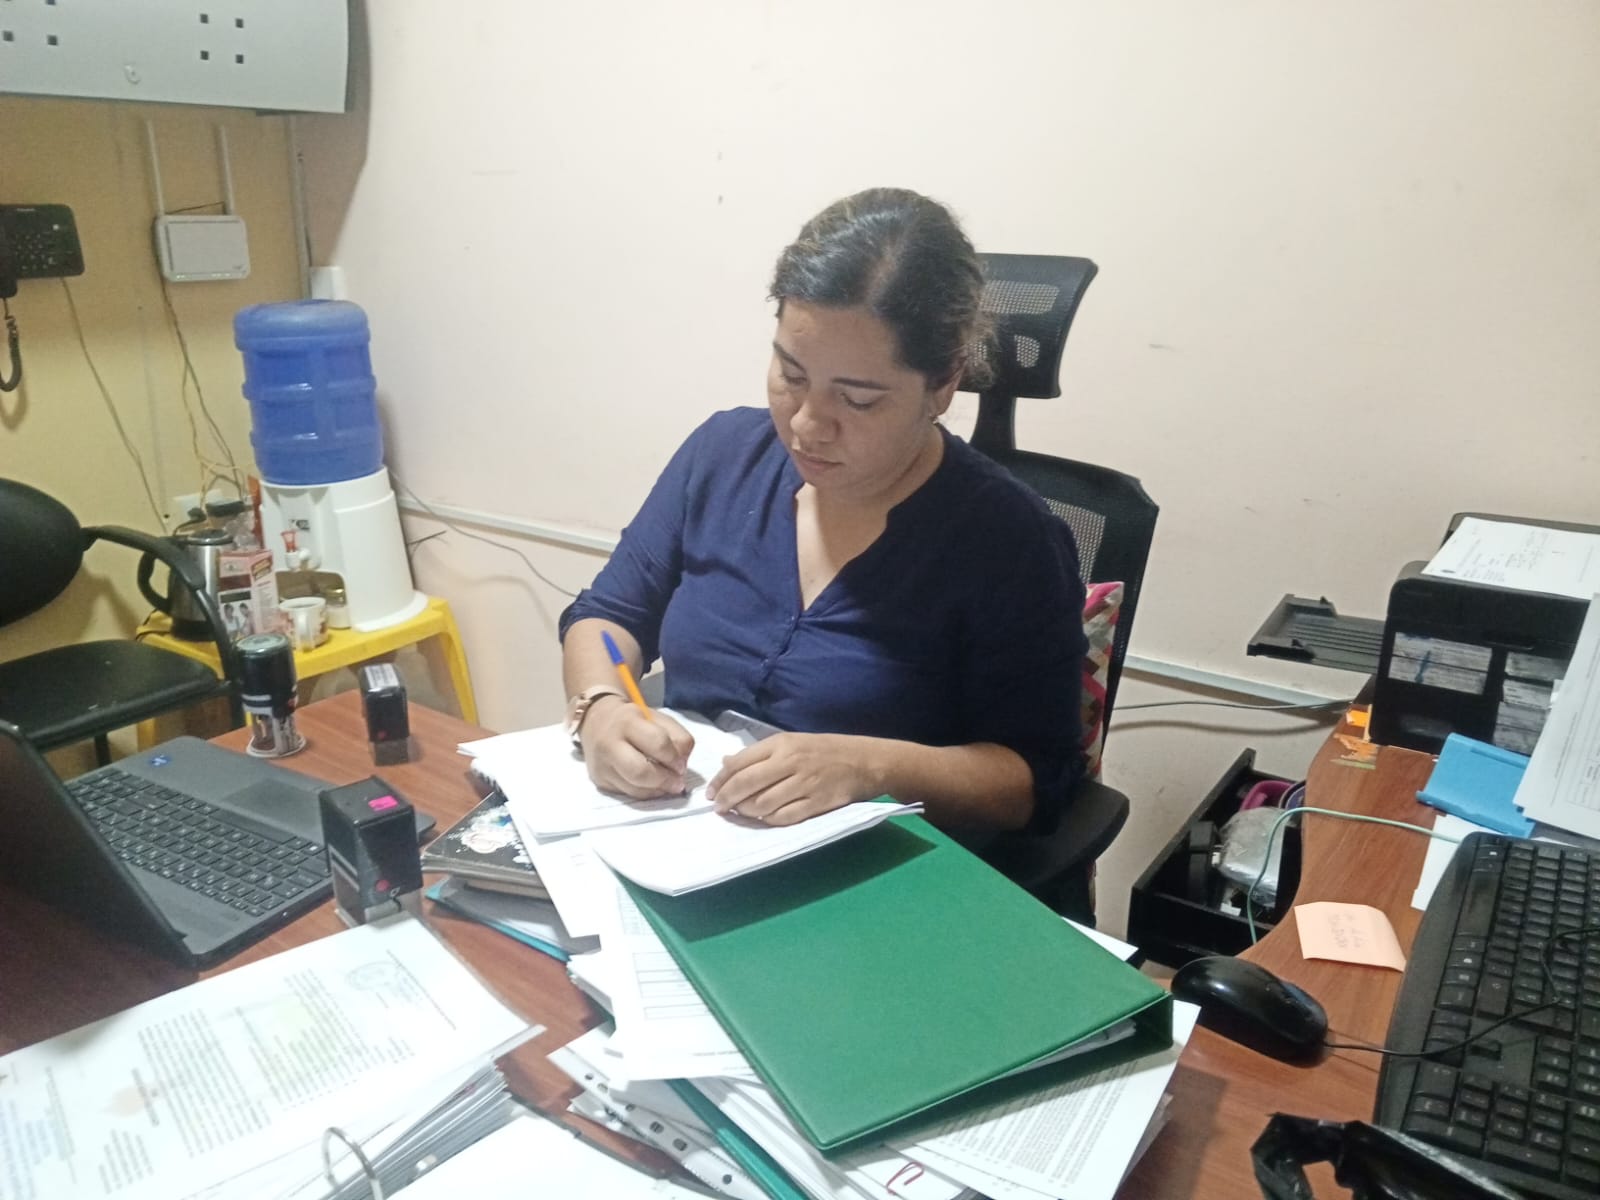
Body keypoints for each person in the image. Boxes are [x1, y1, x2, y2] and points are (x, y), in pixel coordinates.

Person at [559, 187, 1086, 839]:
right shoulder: (722, 455)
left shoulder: (1010, 541)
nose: (807, 424)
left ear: (944, 384)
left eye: (858, 400)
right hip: (682, 837)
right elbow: (609, 616)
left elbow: (1033, 782)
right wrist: (601, 707)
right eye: (791, 375)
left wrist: (870, 767)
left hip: (873, 868)